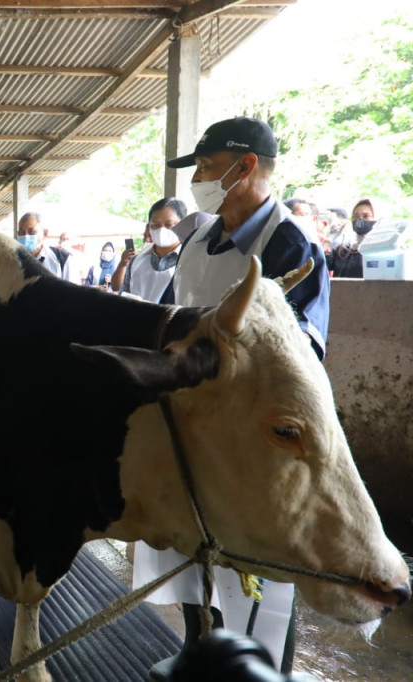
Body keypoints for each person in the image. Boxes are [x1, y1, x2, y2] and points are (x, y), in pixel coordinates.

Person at [138, 117, 330, 681]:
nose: (197, 178)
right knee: (189, 546)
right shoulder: (199, 238)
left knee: (258, 559)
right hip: (193, 420)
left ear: (246, 167)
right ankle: (201, 651)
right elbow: (174, 315)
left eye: (205, 166)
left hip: (254, 429)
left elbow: (301, 354)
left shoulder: (292, 244)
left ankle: (265, 668)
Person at [113, 198, 190, 302]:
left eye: (169, 225)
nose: (161, 230)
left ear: (183, 224)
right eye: (155, 225)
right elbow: (123, 294)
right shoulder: (137, 260)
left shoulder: (190, 259)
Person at [325, 198, 381, 278]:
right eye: (355, 216)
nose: (359, 220)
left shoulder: (385, 250)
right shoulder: (343, 251)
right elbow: (314, 265)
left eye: (366, 216)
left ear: (378, 220)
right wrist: (329, 240)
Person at [16, 212, 74, 281]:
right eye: (21, 232)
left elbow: (74, 289)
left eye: (31, 232)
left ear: (45, 233)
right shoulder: (12, 259)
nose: (26, 236)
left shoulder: (61, 259)